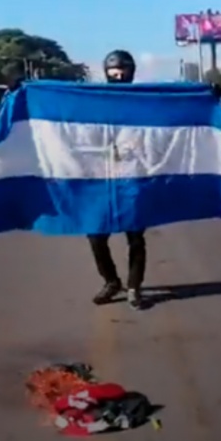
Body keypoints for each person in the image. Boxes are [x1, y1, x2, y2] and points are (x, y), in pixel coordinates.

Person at [87, 50, 148, 310]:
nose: (119, 75)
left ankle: (134, 288)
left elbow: (180, 98)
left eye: (123, 70)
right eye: (114, 71)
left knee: (135, 236)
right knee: (96, 235)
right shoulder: (96, 101)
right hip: (103, 177)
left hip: (134, 175)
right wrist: (23, 88)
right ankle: (111, 281)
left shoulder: (145, 101)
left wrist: (210, 93)